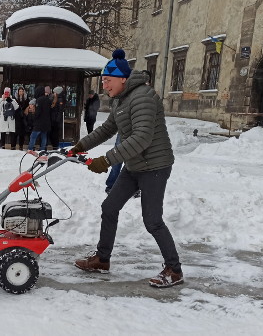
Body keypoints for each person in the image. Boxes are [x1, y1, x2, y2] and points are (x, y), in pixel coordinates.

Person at [70, 49, 182, 288]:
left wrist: (106, 160)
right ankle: (102, 259)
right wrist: (79, 146)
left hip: (155, 166)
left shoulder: (143, 97)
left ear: (122, 78)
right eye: (103, 81)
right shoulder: (121, 100)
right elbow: (107, 129)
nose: (104, 85)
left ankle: (174, 269)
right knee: (109, 207)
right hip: (134, 164)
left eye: (107, 80)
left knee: (152, 220)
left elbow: (142, 137)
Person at [28, 86, 51, 151]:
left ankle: (30, 149)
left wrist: (34, 116)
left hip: (39, 122)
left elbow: (38, 111)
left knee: (33, 136)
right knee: (44, 136)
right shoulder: (48, 100)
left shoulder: (39, 100)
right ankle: (42, 149)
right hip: (47, 121)